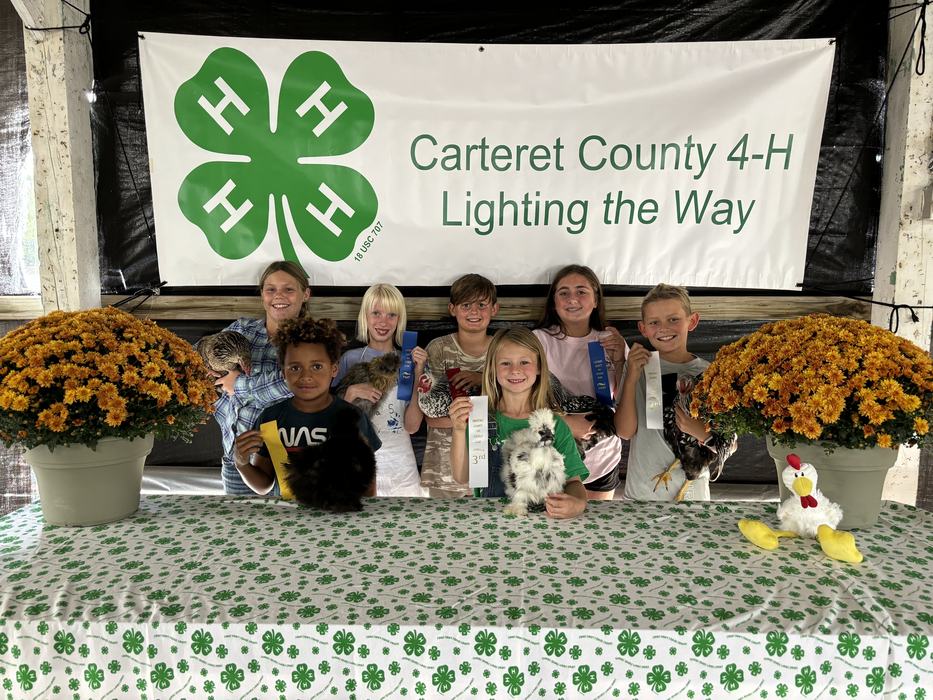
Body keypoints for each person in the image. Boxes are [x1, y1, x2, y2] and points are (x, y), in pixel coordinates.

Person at [447, 327, 588, 519]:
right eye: (505, 363)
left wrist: (577, 504)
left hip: (543, 525)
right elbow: (462, 476)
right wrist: (458, 429)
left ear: (539, 367)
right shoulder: (480, 419)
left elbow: (574, 482)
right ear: (492, 368)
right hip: (490, 524)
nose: (515, 370)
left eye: (524, 362)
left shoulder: (554, 424)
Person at [232, 316, 381, 496]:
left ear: (334, 368)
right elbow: (264, 485)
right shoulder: (270, 418)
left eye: (317, 366)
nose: (306, 376)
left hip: (339, 517)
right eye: (295, 368)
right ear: (283, 372)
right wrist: (241, 464)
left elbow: (368, 486)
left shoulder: (352, 417)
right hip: (288, 520)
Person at [615, 284, 735, 501]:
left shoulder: (710, 374)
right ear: (643, 328)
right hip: (642, 492)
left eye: (673, 319)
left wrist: (701, 433)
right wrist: (632, 375)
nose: (664, 328)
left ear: (692, 321)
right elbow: (624, 431)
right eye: (654, 322)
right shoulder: (638, 367)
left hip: (692, 496)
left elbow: (731, 443)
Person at [212, 261, 311, 495]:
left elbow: (295, 382)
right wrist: (210, 377)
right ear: (262, 295)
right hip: (237, 453)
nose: (279, 296)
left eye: (289, 289)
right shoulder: (243, 329)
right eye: (270, 289)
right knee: (238, 529)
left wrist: (237, 384)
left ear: (305, 294)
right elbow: (206, 355)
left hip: (286, 456)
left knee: (290, 529)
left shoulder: (311, 338)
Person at [533, 265, 628, 500]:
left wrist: (619, 361)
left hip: (603, 458)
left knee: (597, 533)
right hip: (553, 457)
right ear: (554, 302)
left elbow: (627, 403)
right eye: (563, 292)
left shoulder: (611, 341)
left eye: (581, 291)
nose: (572, 299)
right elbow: (518, 397)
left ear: (596, 299)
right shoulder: (538, 341)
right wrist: (563, 423)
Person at [333, 283, 427, 496]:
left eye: (391, 315)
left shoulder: (409, 361)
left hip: (401, 465)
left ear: (399, 320)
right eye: (376, 313)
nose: (383, 322)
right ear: (365, 316)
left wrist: (419, 371)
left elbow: (412, 427)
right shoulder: (350, 359)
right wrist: (350, 393)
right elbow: (334, 419)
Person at [418, 274, 499, 498]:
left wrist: (480, 379)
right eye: (466, 305)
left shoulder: (503, 349)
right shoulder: (439, 348)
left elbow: (514, 406)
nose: (474, 312)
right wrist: (486, 413)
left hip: (495, 465)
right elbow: (431, 415)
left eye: (482, 304)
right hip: (443, 467)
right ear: (452, 309)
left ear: (495, 309)